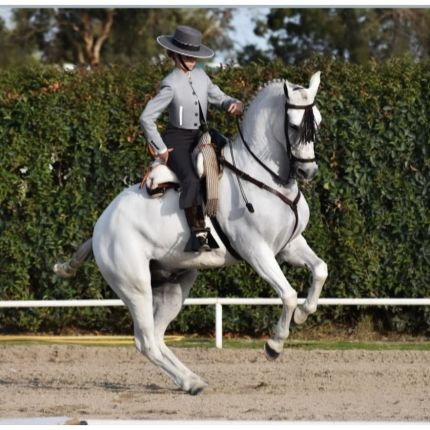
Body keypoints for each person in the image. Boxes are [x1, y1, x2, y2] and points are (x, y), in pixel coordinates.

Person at [140, 25, 244, 252]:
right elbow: (146, 117)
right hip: (175, 141)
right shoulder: (170, 83)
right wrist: (161, 149)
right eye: (188, 55)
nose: (193, 60)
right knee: (190, 179)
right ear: (175, 54)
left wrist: (232, 103)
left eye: (195, 55)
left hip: (198, 136)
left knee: (227, 162)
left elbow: (219, 96)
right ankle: (198, 234)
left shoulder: (202, 76)